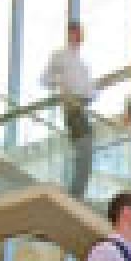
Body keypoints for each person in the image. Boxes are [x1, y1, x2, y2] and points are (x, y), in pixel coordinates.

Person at [40, 21, 96, 199]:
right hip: (72, 106)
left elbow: (90, 90)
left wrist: (90, 94)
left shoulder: (83, 63)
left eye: (82, 33)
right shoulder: (60, 56)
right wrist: (62, 84)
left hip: (83, 106)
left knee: (84, 152)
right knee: (84, 150)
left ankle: (76, 195)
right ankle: (75, 197)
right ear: (70, 34)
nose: (81, 36)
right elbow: (44, 79)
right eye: (79, 33)